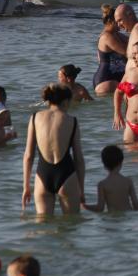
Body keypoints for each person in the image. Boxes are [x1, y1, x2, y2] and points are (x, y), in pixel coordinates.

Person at [22, 83, 84, 215]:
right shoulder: (72, 120)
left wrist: (26, 187)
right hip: (67, 174)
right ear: (66, 101)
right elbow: (78, 158)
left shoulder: (35, 118)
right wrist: (81, 189)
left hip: (43, 175)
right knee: (71, 226)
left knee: (44, 227)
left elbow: (28, 156)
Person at [85, 145, 138, 212]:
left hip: (113, 217)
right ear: (121, 163)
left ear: (104, 165)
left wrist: (86, 206)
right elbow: (136, 204)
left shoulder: (102, 184)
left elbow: (100, 208)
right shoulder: (128, 181)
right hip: (129, 215)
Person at [93, 5, 128, 95]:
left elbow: (135, 43)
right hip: (106, 79)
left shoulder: (117, 34)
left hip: (116, 78)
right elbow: (127, 52)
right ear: (111, 21)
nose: (121, 24)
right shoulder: (106, 37)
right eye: (119, 21)